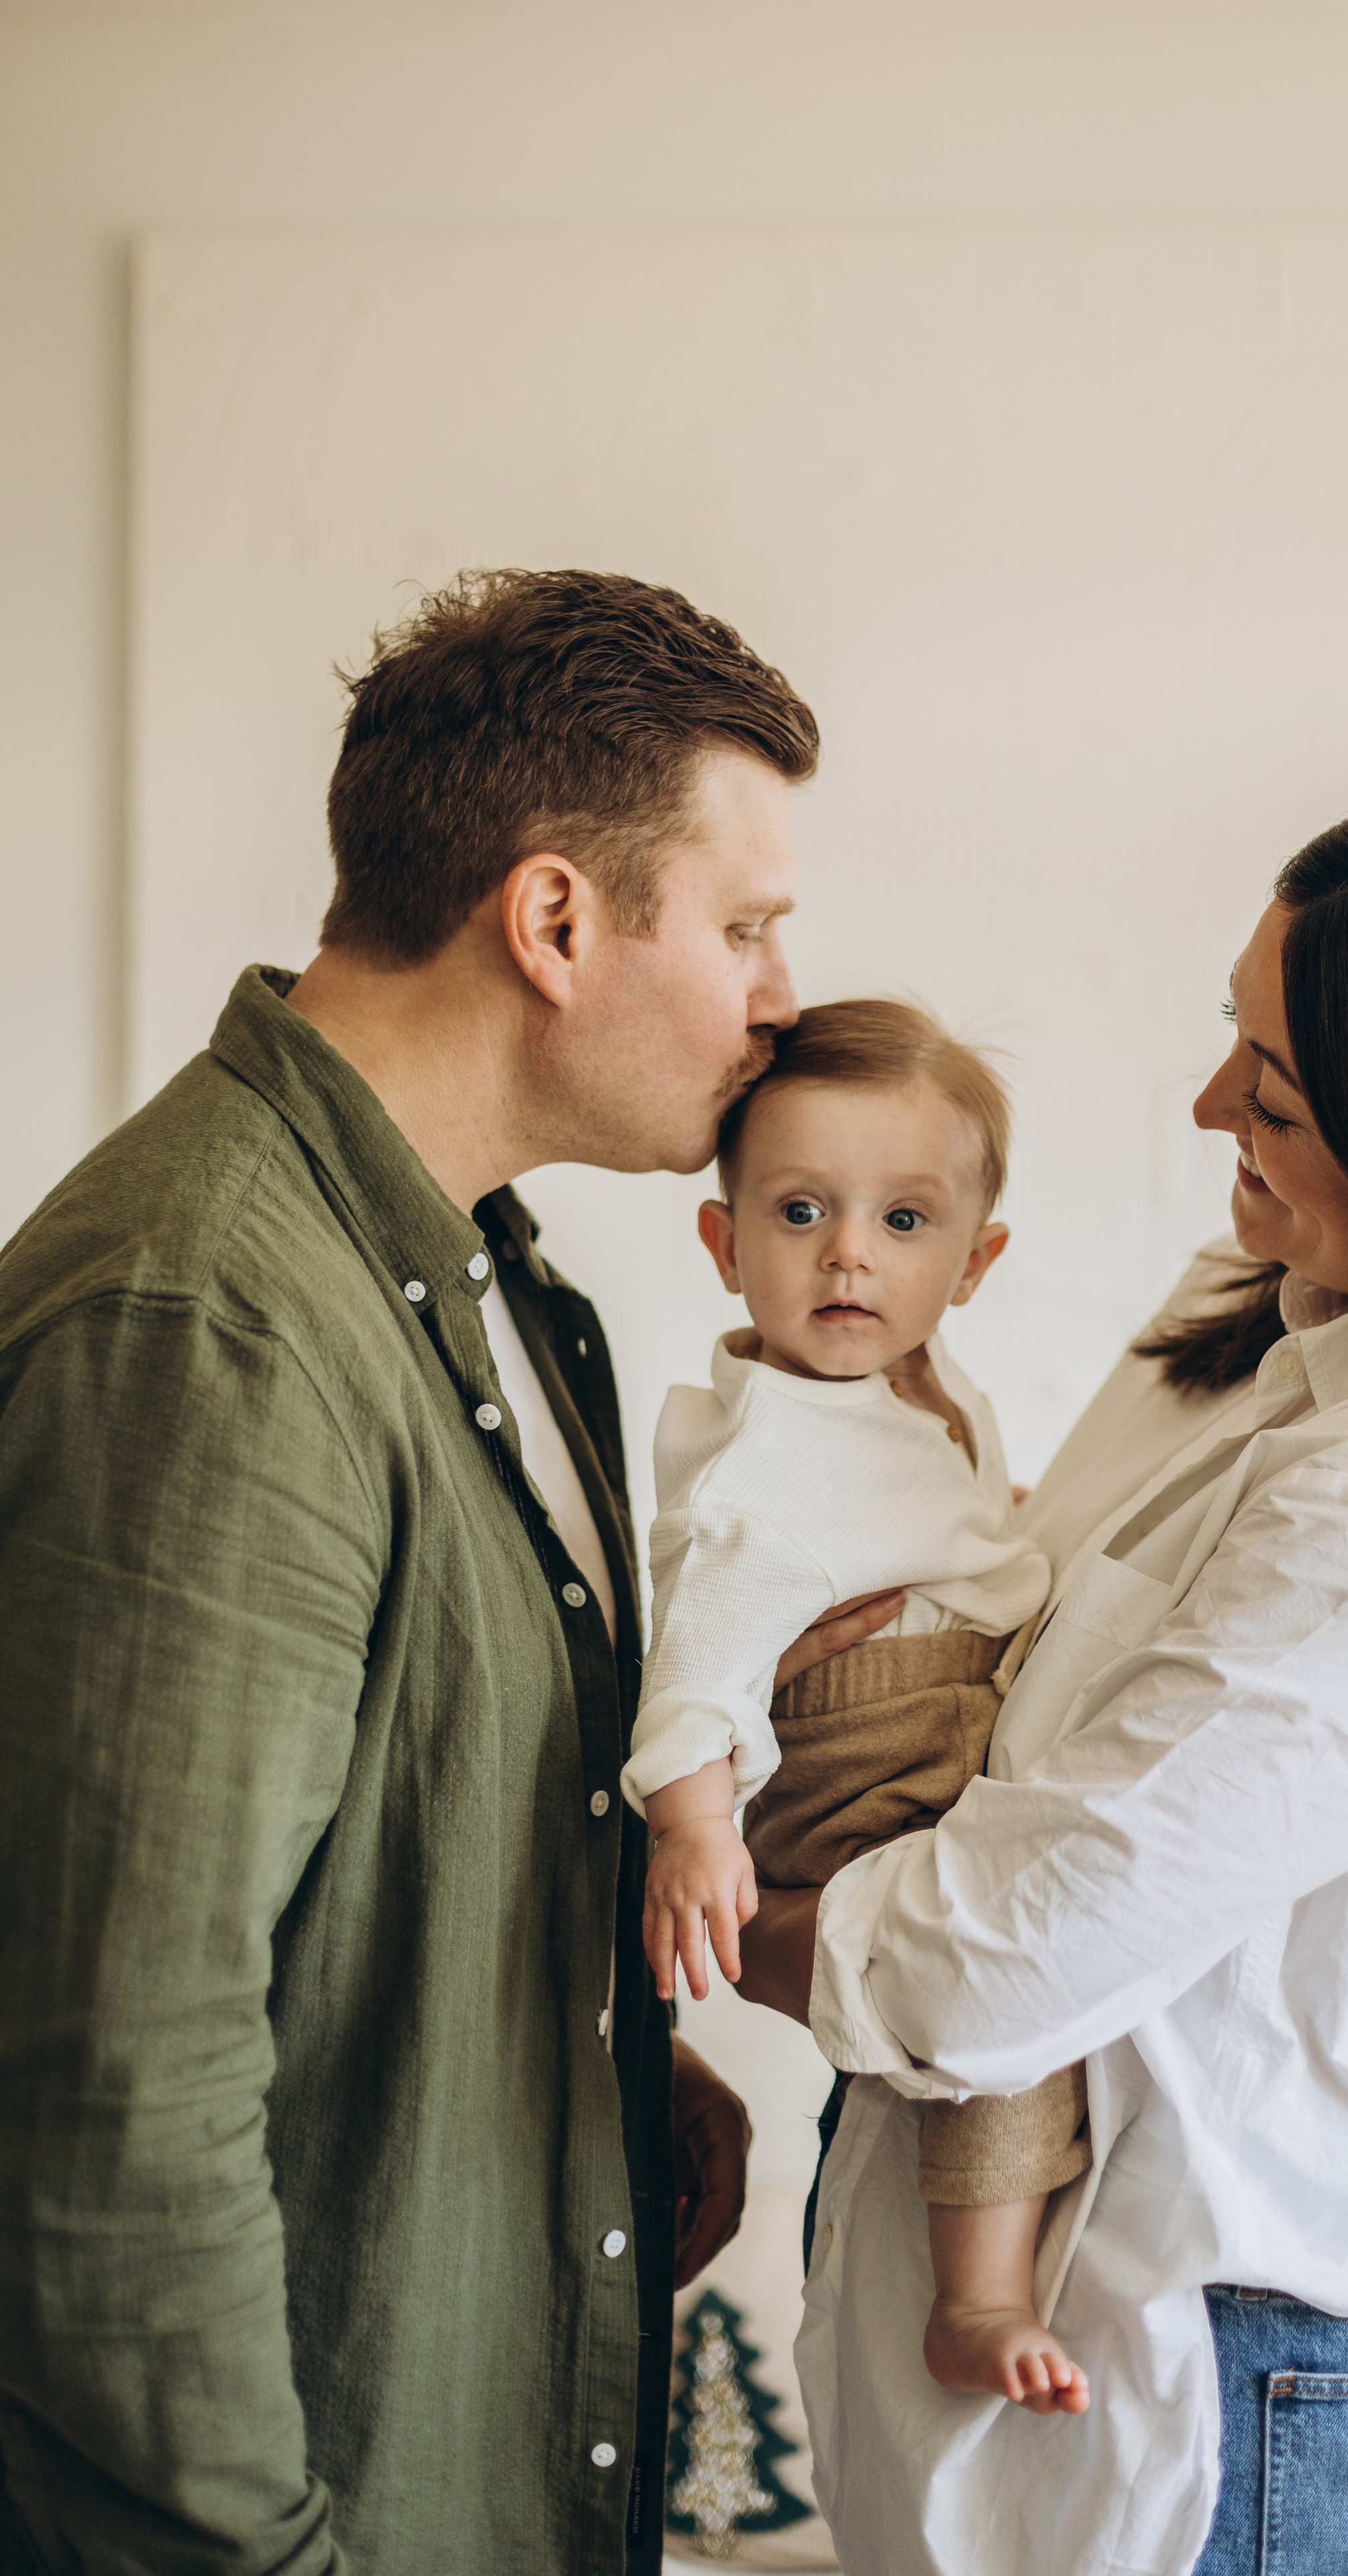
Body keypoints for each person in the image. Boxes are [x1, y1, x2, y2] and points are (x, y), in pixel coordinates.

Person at [0, 568, 893, 2576]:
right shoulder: (205, 1322)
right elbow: (111, 2085)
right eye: (746, 924)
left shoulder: (499, 1288)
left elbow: (362, 1857)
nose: (778, 993)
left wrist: (599, 2053)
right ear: (555, 918)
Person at [739, 777, 1348, 2576]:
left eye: (1273, 1090)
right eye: (1232, 1048)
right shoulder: (1257, 1319)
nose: (1210, 1112)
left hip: (1226, 2417)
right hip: (1074, 2374)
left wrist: (689, 1897)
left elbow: (977, 1962)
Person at [622, 999, 1092, 2416]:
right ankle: (979, 2294)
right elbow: (700, 1647)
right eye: (801, 1211)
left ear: (972, 1262)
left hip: (933, 1709)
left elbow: (926, 1519)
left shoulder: (920, 1388)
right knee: (1005, 1986)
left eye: (902, 1221)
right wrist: (695, 1830)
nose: (846, 1253)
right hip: (856, 1746)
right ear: (723, 1244)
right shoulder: (761, 1451)